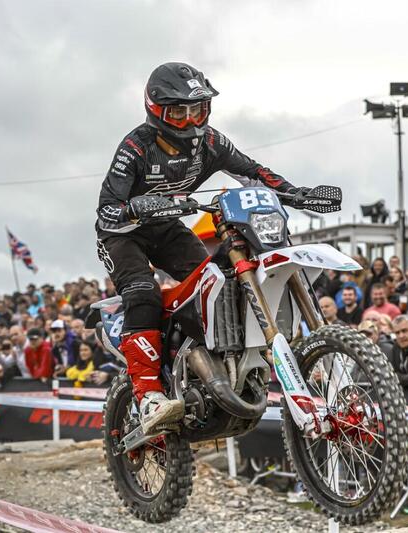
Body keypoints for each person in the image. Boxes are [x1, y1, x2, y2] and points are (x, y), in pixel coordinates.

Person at [94, 62, 311, 433]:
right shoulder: (135, 147)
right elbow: (107, 211)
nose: (190, 120)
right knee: (144, 291)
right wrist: (134, 207)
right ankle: (148, 395)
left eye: (198, 110)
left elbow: (253, 173)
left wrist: (295, 193)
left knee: (215, 279)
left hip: (166, 226)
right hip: (122, 233)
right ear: (157, 111)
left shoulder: (211, 142)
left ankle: (206, 364)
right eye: (179, 113)